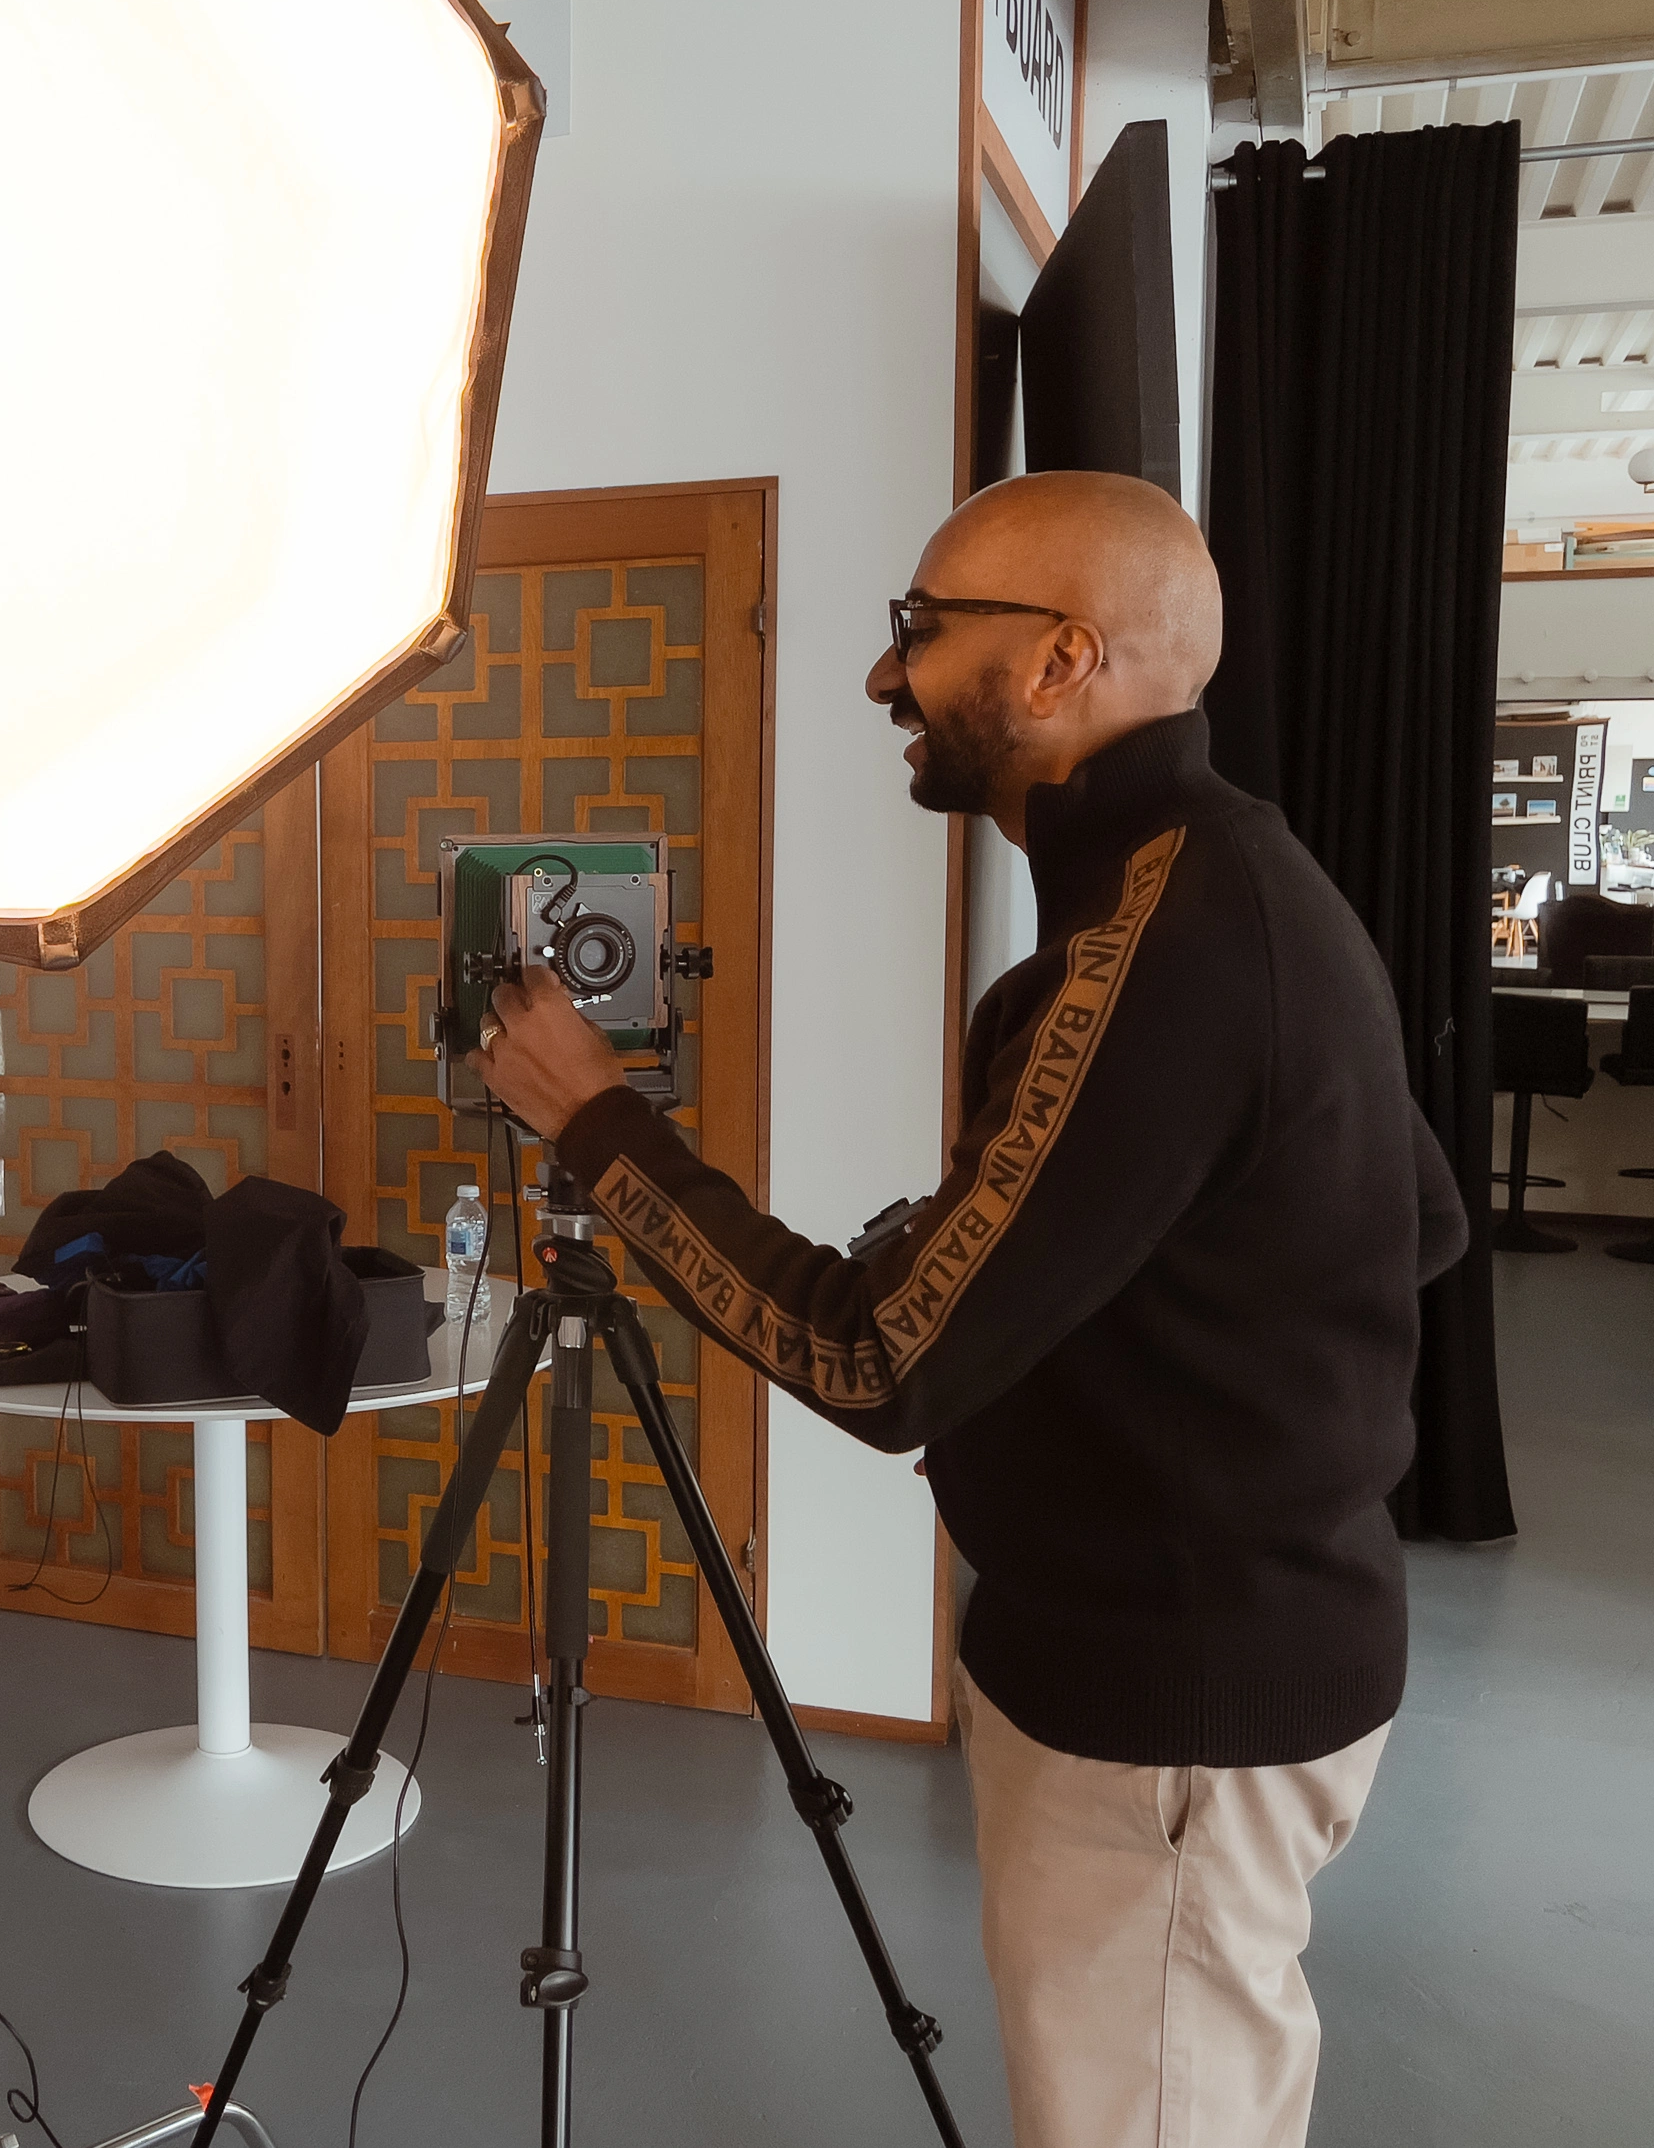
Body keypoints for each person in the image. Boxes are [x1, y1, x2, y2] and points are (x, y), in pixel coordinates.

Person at [468, 470, 1467, 2148]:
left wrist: (602, 1129)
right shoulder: (1233, 881)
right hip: (1199, 1663)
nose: (885, 676)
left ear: (1064, 656)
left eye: (921, 631)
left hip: (1167, 1705)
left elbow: (877, 1358)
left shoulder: (1155, 949)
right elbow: (1414, 1214)